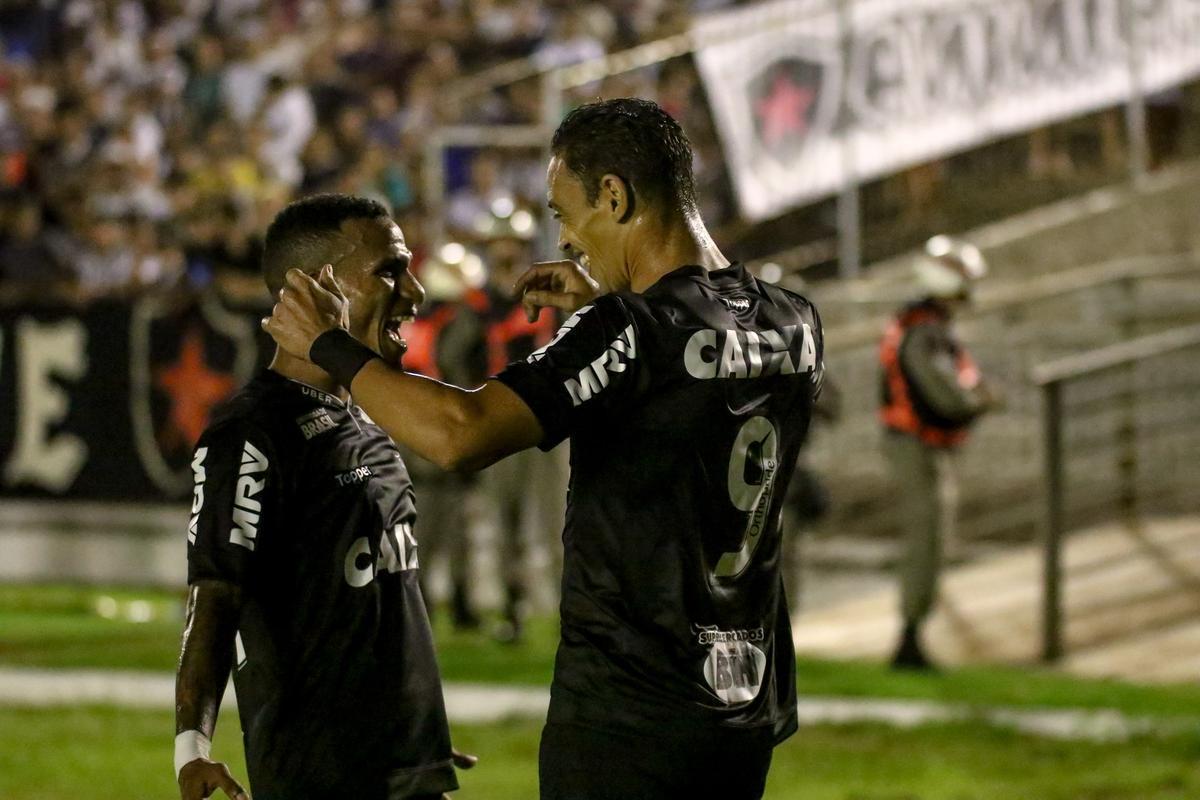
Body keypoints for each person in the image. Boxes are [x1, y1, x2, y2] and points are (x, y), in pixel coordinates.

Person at [264, 98, 824, 800]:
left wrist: (328, 345)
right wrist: (608, 303)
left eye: (566, 214)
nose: (565, 240)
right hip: (745, 704)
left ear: (614, 197)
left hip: (630, 708)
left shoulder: (630, 328)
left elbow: (459, 433)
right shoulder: (796, 320)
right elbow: (694, 373)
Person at [174, 194, 473, 800]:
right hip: (323, 779)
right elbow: (216, 594)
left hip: (409, 775)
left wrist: (413, 732)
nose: (413, 292)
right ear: (313, 287)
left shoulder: (367, 424)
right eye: (389, 270)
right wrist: (191, 748)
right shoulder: (252, 432)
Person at [878, 235, 998, 670]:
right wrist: (978, 402)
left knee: (931, 540)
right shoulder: (923, 329)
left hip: (922, 446)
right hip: (917, 447)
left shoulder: (925, 323)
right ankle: (909, 640)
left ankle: (913, 635)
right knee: (926, 541)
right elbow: (947, 395)